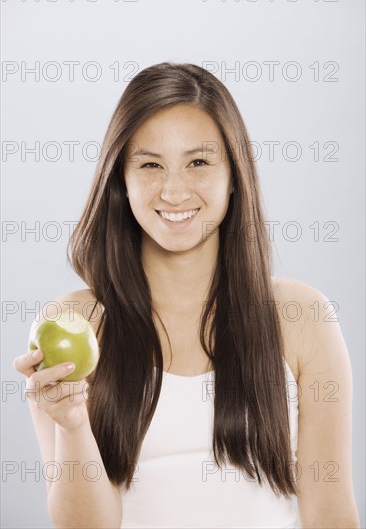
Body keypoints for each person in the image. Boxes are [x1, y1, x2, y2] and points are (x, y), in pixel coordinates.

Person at [13, 62, 360, 528]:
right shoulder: (77, 321)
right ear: (122, 180)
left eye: (198, 162)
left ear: (234, 175)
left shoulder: (301, 316)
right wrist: (71, 423)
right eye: (151, 165)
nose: (174, 190)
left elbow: (331, 514)